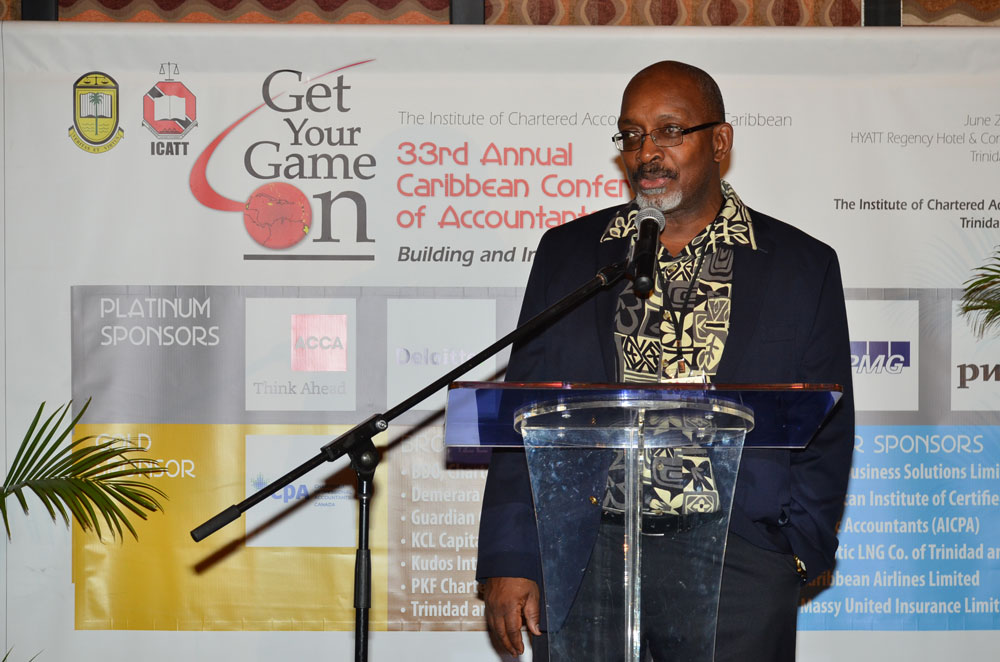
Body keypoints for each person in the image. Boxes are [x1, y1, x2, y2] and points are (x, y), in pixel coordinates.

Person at [477, 61, 855, 661]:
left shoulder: (800, 266)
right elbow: (525, 414)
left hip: (737, 560)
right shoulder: (570, 256)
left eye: (670, 131)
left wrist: (791, 553)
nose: (646, 152)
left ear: (720, 141)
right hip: (585, 555)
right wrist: (513, 554)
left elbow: (829, 425)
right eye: (632, 134)